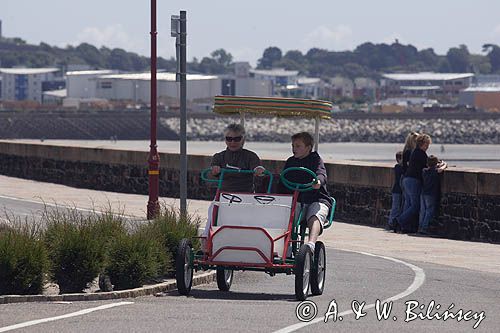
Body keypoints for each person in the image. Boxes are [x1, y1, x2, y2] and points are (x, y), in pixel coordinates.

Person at [201, 123, 265, 251]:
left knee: (252, 215)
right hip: (224, 194)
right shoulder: (219, 157)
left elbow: (257, 169)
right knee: (212, 209)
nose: (232, 142)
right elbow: (212, 171)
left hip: (245, 195)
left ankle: (252, 243)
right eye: (229, 139)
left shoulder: (250, 156)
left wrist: (258, 170)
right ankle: (206, 240)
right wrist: (215, 170)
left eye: (236, 139)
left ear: (243, 140)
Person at [278, 132, 331, 253]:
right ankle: (287, 243)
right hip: (297, 199)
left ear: (308, 147)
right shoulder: (291, 161)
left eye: (298, 146)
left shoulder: (315, 159)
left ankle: (311, 244)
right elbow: (282, 181)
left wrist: (318, 181)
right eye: (293, 146)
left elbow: (321, 174)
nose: (294, 149)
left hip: (316, 198)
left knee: (315, 215)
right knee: (287, 213)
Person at [394, 133, 432, 233]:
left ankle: (405, 226)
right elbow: (427, 165)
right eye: (427, 144)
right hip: (413, 180)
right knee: (415, 206)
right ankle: (399, 220)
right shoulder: (420, 153)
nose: (428, 146)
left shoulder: (415, 151)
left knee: (409, 204)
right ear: (422, 143)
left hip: (407, 179)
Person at [418, 155, 447, 234]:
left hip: (423, 193)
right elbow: (441, 169)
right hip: (430, 193)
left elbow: (432, 168)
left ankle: (420, 227)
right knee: (429, 210)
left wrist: (436, 164)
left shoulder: (424, 170)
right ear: (435, 164)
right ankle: (424, 228)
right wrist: (444, 164)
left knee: (423, 211)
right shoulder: (435, 171)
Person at [387, 151, 404, 230]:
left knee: (398, 207)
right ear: (398, 159)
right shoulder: (398, 167)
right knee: (395, 207)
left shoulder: (398, 167)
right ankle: (391, 222)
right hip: (397, 190)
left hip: (397, 190)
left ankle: (394, 222)